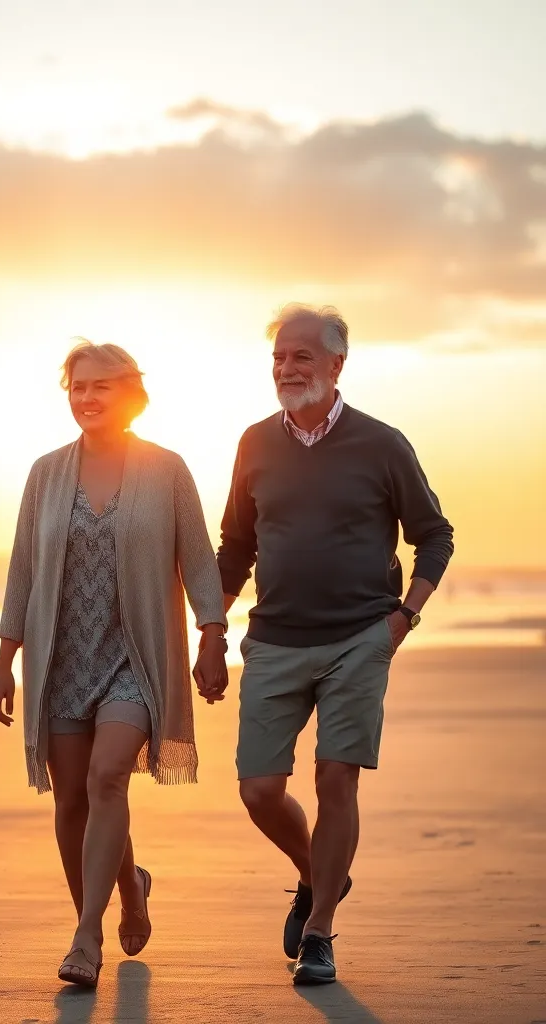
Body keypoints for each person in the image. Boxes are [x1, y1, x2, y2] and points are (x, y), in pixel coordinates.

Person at [213, 304, 454, 985]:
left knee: (334, 778)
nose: (288, 369)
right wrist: (209, 630)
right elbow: (236, 546)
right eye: (279, 359)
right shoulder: (254, 443)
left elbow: (433, 533)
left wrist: (404, 617)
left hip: (359, 638)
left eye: (302, 358)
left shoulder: (382, 444)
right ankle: (316, 878)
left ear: (337, 365)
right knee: (260, 790)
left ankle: (318, 935)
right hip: (274, 640)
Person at [0, 339, 228, 988]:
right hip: (60, 656)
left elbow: (199, 560)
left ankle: (86, 937)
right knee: (71, 800)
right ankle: (129, 883)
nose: (87, 398)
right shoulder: (45, 474)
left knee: (106, 778)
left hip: (136, 655)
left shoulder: (168, 470)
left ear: (130, 395)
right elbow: (22, 570)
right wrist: (6, 657)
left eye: (101, 387)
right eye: (77, 387)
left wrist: (212, 632)